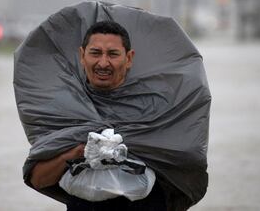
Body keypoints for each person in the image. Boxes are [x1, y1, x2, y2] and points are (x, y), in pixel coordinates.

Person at [29, 21, 167, 211]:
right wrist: (78, 152)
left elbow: (181, 167)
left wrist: (127, 151)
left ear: (129, 58)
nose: (103, 63)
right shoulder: (63, 110)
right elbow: (38, 179)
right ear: (82, 56)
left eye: (113, 54)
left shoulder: (155, 106)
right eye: (95, 53)